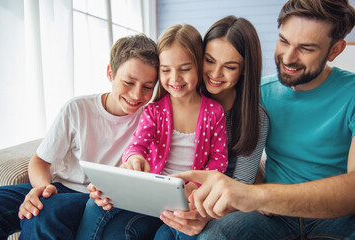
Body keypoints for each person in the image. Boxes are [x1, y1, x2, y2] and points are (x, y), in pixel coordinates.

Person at [170, 0, 355, 239]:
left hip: (335, 220)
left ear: (335, 50)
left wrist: (255, 194)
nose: (288, 58)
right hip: (271, 217)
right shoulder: (259, 93)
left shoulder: (351, 93)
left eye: (306, 48)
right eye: (284, 41)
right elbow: (245, 154)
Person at [0, 34, 159, 240]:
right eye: (128, 82)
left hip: (98, 199)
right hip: (61, 188)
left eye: (147, 87)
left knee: (45, 213)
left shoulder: (152, 118)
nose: (136, 95)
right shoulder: (77, 109)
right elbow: (40, 160)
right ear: (110, 73)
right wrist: (42, 188)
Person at [75, 24, 229, 240]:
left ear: (199, 66)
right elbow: (137, 145)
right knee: (95, 203)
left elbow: (219, 162)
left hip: (189, 200)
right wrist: (135, 158)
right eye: (166, 70)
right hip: (151, 193)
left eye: (184, 69)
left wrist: (194, 187)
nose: (174, 78)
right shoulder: (154, 111)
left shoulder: (214, 112)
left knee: (167, 236)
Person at [154, 15, 269, 239]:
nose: (215, 74)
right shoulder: (184, 96)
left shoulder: (256, 117)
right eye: (209, 60)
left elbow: (242, 184)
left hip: (223, 199)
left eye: (230, 67)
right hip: (180, 195)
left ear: (245, 69)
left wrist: (204, 214)